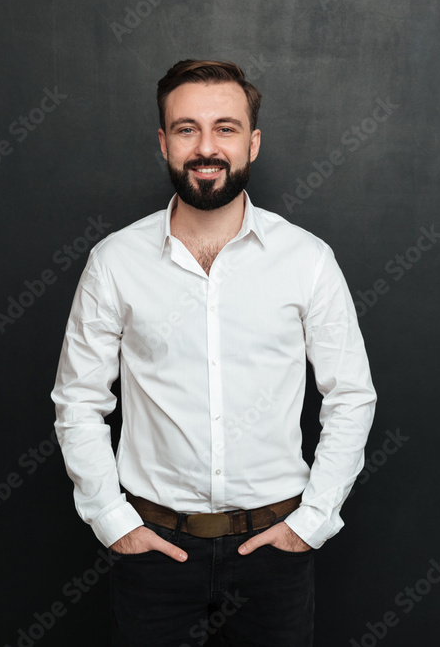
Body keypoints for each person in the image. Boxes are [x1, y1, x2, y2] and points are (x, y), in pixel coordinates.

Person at [51, 59, 376, 646]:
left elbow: (351, 396)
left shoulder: (306, 259)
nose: (206, 147)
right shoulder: (115, 261)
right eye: (186, 128)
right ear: (163, 142)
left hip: (275, 554)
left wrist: (310, 523)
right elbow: (77, 401)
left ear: (253, 142)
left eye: (225, 128)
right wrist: (112, 521)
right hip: (154, 553)